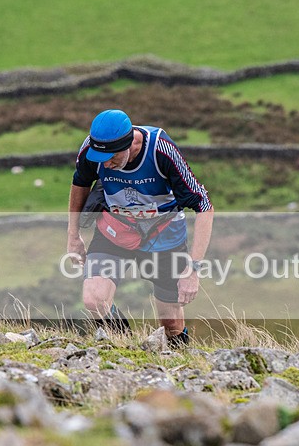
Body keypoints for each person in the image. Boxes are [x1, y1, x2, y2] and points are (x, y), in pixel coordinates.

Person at [67, 109, 213, 347]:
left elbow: (204, 206)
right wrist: (73, 236)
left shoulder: (161, 151)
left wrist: (193, 269)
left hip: (164, 237)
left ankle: (178, 359)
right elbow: (80, 183)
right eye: (101, 160)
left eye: (112, 158)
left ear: (128, 145)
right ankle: (122, 344)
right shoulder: (92, 150)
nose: (106, 165)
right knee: (94, 300)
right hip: (114, 231)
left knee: (171, 324)